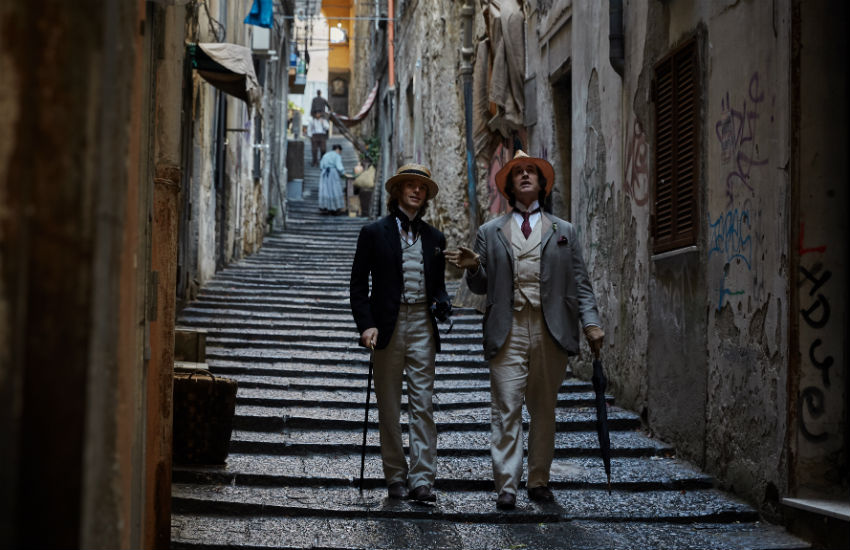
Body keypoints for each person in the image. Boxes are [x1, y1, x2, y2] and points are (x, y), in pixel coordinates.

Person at [445, 150, 604, 510]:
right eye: (519, 173)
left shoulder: (565, 232)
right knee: (506, 405)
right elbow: (481, 287)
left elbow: (580, 283)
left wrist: (591, 323)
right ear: (510, 185)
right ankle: (507, 484)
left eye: (532, 171)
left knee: (544, 407)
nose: (526, 176)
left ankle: (538, 480)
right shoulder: (490, 231)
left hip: (551, 329)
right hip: (508, 326)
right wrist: (473, 269)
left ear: (542, 183)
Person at [349, 164, 452, 502]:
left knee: (423, 404)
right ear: (397, 192)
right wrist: (367, 325)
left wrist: (441, 302)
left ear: (425, 196)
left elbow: (438, 287)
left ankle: (422, 479)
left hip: (423, 324)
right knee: (390, 406)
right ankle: (395, 475)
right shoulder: (373, 233)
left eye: (421, 187)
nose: (416, 191)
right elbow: (357, 286)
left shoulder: (436, 238)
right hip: (387, 327)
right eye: (409, 185)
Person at [318, 144, 347, 215]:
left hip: (324, 173)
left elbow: (321, 165)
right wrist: (343, 173)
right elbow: (339, 166)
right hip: (332, 173)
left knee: (326, 190)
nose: (340, 153)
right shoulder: (337, 156)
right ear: (338, 150)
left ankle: (325, 207)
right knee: (334, 189)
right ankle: (335, 208)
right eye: (340, 151)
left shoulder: (326, 155)